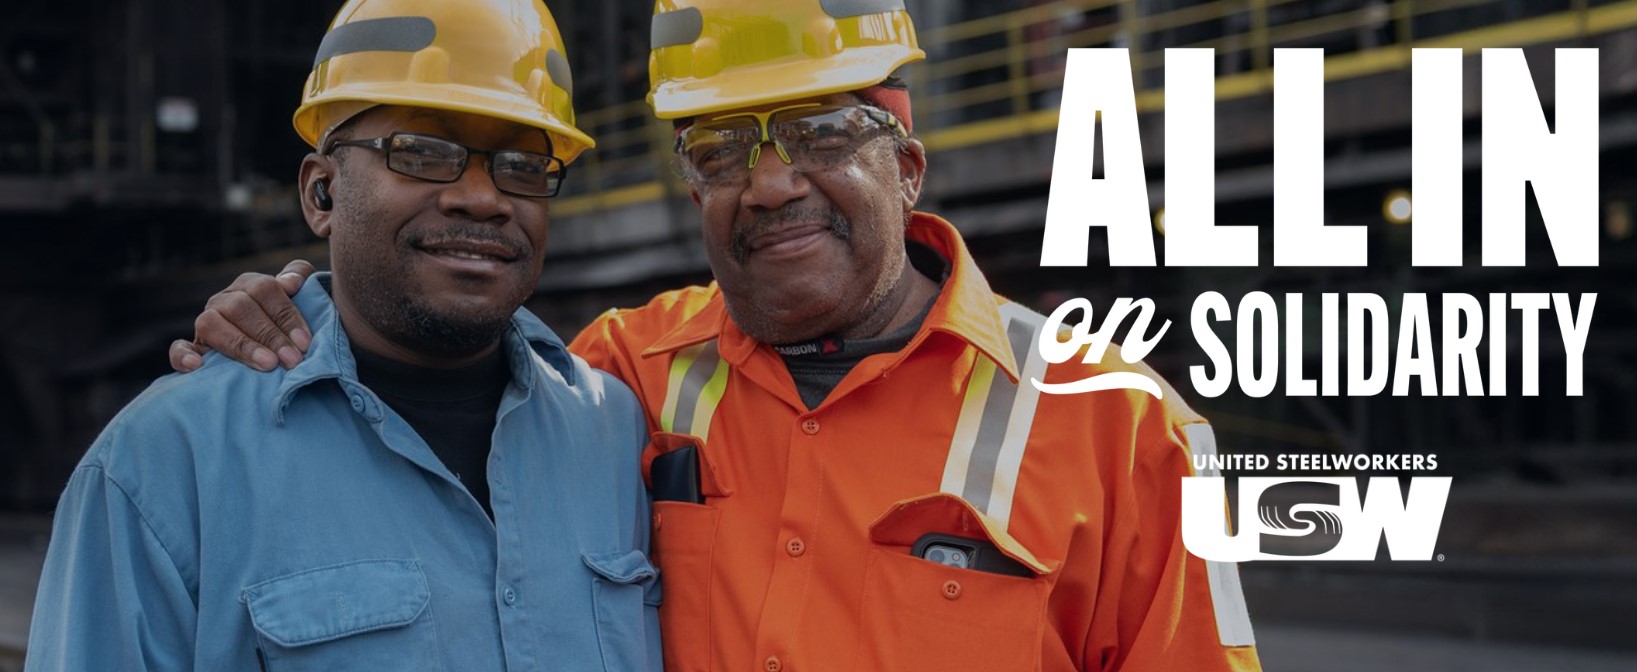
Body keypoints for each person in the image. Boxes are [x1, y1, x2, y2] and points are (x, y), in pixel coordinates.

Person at [171, 1, 1262, 669]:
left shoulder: (1125, 432)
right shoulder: (614, 380)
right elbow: (418, 364)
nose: (772, 183)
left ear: (908, 168)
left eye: (824, 132)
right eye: (722, 148)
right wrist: (288, 321)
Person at [28, 1, 660, 670]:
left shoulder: (614, 435)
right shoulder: (162, 465)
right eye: (422, 152)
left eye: (524, 165)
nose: (483, 198)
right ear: (321, 193)